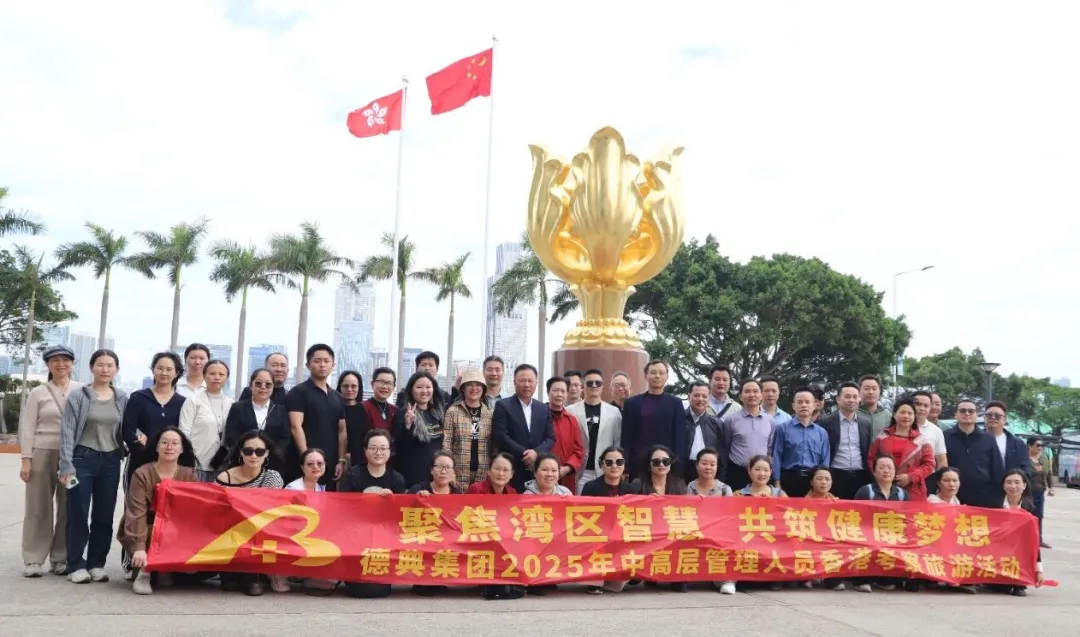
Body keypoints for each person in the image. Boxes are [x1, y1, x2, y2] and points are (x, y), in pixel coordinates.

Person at [58, 349, 128, 585]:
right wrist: (66, 465)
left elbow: (128, 427)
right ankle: (76, 565)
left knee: (104, 514)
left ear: (116, 369)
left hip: (111, 460)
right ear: (91, 368)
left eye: (110, 365)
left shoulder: (121, 397)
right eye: (100, 365)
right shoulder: (79, 396)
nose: (105, 369)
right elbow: (67, 432)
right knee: (78, 512)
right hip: (82, 459)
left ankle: (97, 563)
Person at [19, 344, 82, 577]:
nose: (60, 364)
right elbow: (28, 427)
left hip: (72, 456)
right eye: (55, 360)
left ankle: (60, 557)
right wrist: (26, 459)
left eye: (65, 360)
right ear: (47, 364)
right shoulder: (38, 392)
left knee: (68, 506)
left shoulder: (82, 390)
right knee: (38, 506)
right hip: (42, 452)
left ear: (72, 364)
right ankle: (33, 559)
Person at [120, 427, 198, 595]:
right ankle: (144, 573)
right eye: (164, 442)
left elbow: (193, 513)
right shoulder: (142, 473)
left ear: (182, 449)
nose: (169, 447)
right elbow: (137, 513)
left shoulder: (189, 475)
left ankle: (165, 567)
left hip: (175, 527)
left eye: (175, 443)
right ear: (156, 447)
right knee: (153, 532)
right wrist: (139, 546)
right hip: (145, 526)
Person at [215, 431, 284, 595]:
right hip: (230, 532)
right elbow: (216, 510)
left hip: (261, 532)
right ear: (241, 452)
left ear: (266, 453)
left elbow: (274, 511)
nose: (253, 456)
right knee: (229, 584)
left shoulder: (273, 477)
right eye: (248, 451)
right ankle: (232, 569)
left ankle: (255, 574)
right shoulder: (225, 478)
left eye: (259, 451)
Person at [339, 429, 405, 599]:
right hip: (357, 536)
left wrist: (392, 502)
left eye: (383, 448)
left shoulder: (397, 479)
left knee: (379, 590)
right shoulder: (353, 474)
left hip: (384, 539)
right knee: (359, 590)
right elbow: (342, 507)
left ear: (390, 452)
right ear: (365, 451)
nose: (378, 452)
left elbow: (400, 518)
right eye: (373, 448)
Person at [286, 344, 347, 490]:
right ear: (308, 365)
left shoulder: (337, 396)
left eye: (326, 361)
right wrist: (307, 459)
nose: (322, 365)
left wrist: (341, 460)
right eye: (317, 361)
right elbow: (295, 426)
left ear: (333, 365)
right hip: (303, 464)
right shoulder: (298, 392)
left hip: (329, 464)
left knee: (327, 501)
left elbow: (342, 430)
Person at [579, 445, 634, 595]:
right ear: (601, 465)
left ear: (624, 464)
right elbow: (582, 516)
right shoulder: (590, 487)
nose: (614, 466)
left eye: (619, 462)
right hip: (597, 536)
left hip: (621, 538)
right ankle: (594, 579)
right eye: (609, 462)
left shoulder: (631, 490)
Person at [492, 364, 555, 491]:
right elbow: (500, 436)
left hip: (537, 469)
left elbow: (550, 438)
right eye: (522, 381)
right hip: (512, 468)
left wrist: (536, 453)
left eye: (530, 381)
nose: (526, 384)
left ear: (536, 383)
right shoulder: (503, 405)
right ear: (514, 382)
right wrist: (525, 454)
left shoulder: (543, 408)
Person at [621, 360, 686, 481]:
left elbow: (679, 438)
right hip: (638, 463)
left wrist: (678, 467)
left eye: (661, 373)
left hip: (665, 464)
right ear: (645, 375)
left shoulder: (675, 403)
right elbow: (626, 438)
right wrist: (625, 467)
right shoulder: (631, 403)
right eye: (653, 372)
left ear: (667, 377)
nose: (657, 376)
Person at [223, 368, 291, 478]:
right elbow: (231, 435)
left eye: (268, 384)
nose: (263, 387)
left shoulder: (280, 410)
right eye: (258, 383)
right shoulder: (238, 408)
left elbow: (285, 438)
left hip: (272, 465)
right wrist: (247, 454)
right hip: (242, 463)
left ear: (273, 387)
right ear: (251, 386)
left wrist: (269, 455)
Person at [853, 455, 907, 592]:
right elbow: (856, 517)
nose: (886, 471)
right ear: (874, 471)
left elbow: (907, 520)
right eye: (881, 467)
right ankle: (862, 580)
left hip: (892, 535)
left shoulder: (902, 494)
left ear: (895, 471)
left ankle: (883, 579)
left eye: (889, 468)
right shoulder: (866, 491)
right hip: (868, 533)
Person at [686, 447, 736, 595]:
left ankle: (727, 580)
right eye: (704, 463)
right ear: (697, 465)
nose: (708, 467)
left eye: (712, 464)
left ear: (717, 467)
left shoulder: (725, 489)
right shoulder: (689, 487)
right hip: (695, 531)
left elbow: (730, 516)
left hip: (719, 533)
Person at [867, 397, 935, 501]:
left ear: (914, 416)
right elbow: (871, 458)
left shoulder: (922, 440)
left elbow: (929, 465)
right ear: (894, 414)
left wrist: (910, 477)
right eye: (902, 412)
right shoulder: (883, 436)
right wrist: (882, 476)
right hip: (884, 488)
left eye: (910, 413)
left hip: (913, 490)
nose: (906, 416)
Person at [567, 368, 622, 494]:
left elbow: (617, 442)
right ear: (583, 386)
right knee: (580, 504)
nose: (594, 385)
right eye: (589, 383)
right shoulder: (570, 411)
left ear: (602, 386)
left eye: (598, 383)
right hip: (580, 470)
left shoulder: (614, 412)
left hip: (605, 470)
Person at [178, 359, 233, 482]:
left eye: (221, 374)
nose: (217, 377)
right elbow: (184, 431)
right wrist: (188, 457)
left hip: (222, 466)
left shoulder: (231, 403)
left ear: (227, 378)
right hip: (196, 464)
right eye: (212, 373)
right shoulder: (193, 400)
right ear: (204, 375)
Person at [771, 386, 830, 498]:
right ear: (793, 406)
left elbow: (825, 460)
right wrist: (777, 483)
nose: (804, 405)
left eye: (807, 402)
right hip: (788, 478)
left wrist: (822, 483)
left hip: (813, 480)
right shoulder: (782, 429)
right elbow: (776, 456)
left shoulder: (822, 433)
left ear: (814, 405)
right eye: (800, 402)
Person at [818, 381, 873, 499]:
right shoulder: (825, 422)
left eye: (855, 397)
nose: (851, 400)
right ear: (838, 399)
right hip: (836, 475)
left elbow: (868, 450)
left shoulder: (866, 423)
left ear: (860, 399)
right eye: (847, 396)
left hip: (861, 476)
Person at [392, 371, 447, 487]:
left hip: (434, 477)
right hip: (412, 477)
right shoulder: (404, 413)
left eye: (428, 387)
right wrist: (408, 425)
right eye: (419, 387)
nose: (424, 391)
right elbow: (400, 446)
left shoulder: (437, 414)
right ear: (411, 390)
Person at [943, 399, 1001, 508]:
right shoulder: (945, 437)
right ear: (955, 414)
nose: (967, 413)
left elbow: (997, 469)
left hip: (983, 497)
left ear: (976, 414)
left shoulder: (988, 438)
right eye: (962, 411)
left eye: (971, 411)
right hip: (952, 496)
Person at [442, 370, 493, 489]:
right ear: (463, 389)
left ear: (483, 389)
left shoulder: (490, 414)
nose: (474, 388)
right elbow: (446, 443)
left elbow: (493, 446)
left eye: (478, 384)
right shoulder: (453, 411)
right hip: (458, 472)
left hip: (483, 473)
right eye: (470, 384)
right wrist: (449, 471)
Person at [998, 469, 1045, 597]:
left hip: (1018, 553)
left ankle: (1019, 583)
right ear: (1003, 485)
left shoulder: (1031, 509)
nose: (1013, 486)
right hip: (997, 550)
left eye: (1017, 482)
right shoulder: (994, 505)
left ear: (1024, 485)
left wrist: (1039, 570)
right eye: (1009, 482)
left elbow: (1034, 541)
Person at [546, 376, 584, 493]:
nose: (559, 394)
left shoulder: (571, 420)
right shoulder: (540, 416)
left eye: (563, 391)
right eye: (555, 390)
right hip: (544, 475)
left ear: (567, 394)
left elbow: (578, 451)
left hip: (566, 477)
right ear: (548, 392)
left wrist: (567, 468)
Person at [1026, 436, 1054, 549]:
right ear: (1029, 445)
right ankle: (1025, 538)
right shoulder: (1024, 458)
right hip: (1027, 492)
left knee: (1039, 515)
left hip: (1039, 491)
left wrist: (1051, 487)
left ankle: (1038, 540)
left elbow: (1049, 473)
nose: (1040, 448)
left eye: (1041, 445)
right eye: (1037, 445)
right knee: (1027, 515)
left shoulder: (1044, 457)